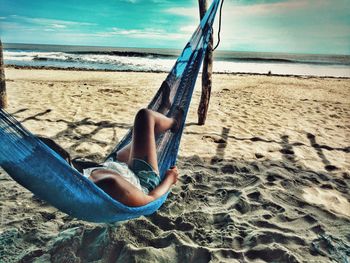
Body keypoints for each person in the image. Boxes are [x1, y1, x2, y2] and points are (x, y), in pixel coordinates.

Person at [39, 83, 183, 207]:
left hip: (113, 166)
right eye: (56, 149)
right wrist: (169, 179)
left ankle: (163, 110)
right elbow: (149, 199)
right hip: (141, 178)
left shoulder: (74, 170)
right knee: (144, 116)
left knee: (142, 134)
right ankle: (173, 123)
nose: (59, 148)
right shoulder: (110, 184)